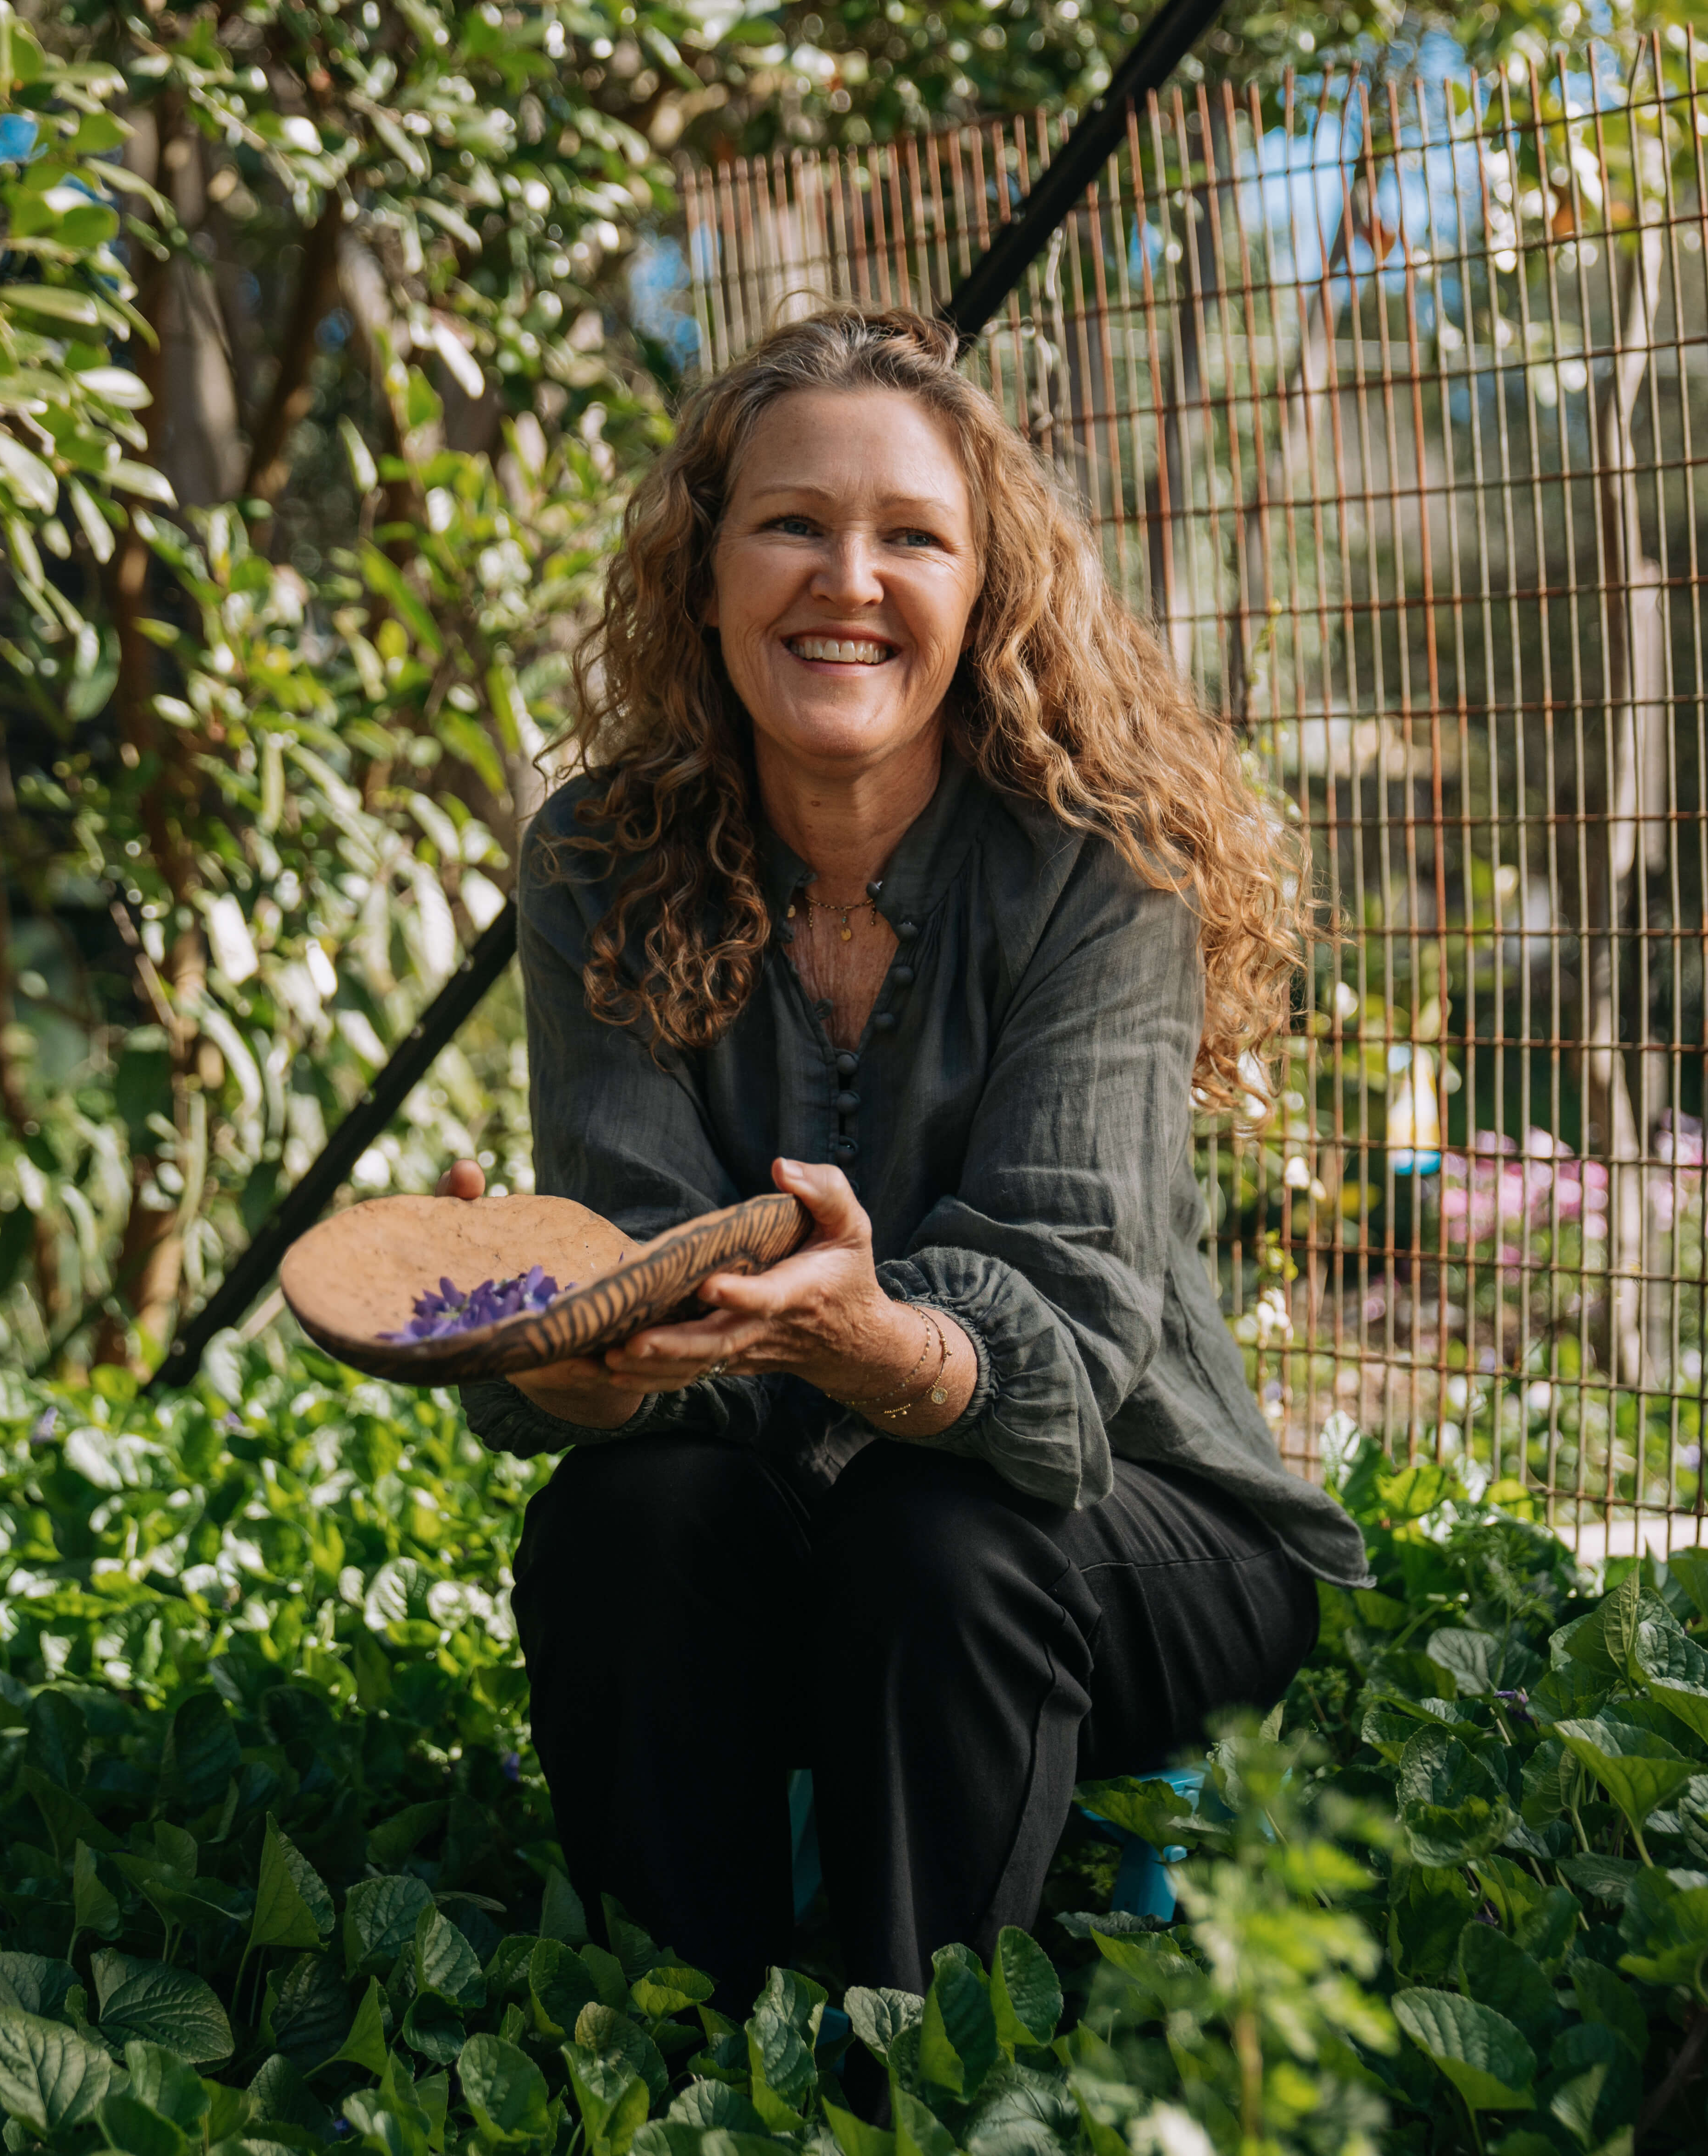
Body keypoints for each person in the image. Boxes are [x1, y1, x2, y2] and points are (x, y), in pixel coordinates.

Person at [437, 307, 1368, 2004]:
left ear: (985, 590)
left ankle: (907, 2062)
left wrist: (864, 1334)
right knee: (621, 1523)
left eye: (913, 538)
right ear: (705, 572)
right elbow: (642, 1251)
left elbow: (1068, 1355)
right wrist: (577, 1358)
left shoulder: (1103, 868)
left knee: (937, 1536)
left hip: (1134, 1523)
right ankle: (681, 2040)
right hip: (796, 1514)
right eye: (792, 523)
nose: (847, 581)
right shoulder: (596, 861)